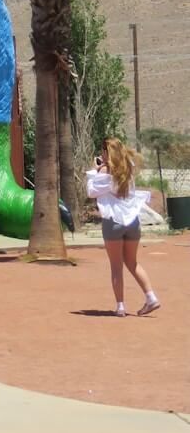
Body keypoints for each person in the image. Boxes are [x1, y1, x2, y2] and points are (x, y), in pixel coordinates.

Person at [86, 136, 160, 317]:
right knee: (132, 262)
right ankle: (151, 297)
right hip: (132, 221)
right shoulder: (128, 169)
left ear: (106, 152)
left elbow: (91, 191)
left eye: (103, 150)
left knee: (116, 266)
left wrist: (95, 171)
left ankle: (120, 306)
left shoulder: (104, 171)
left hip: (114, 221)